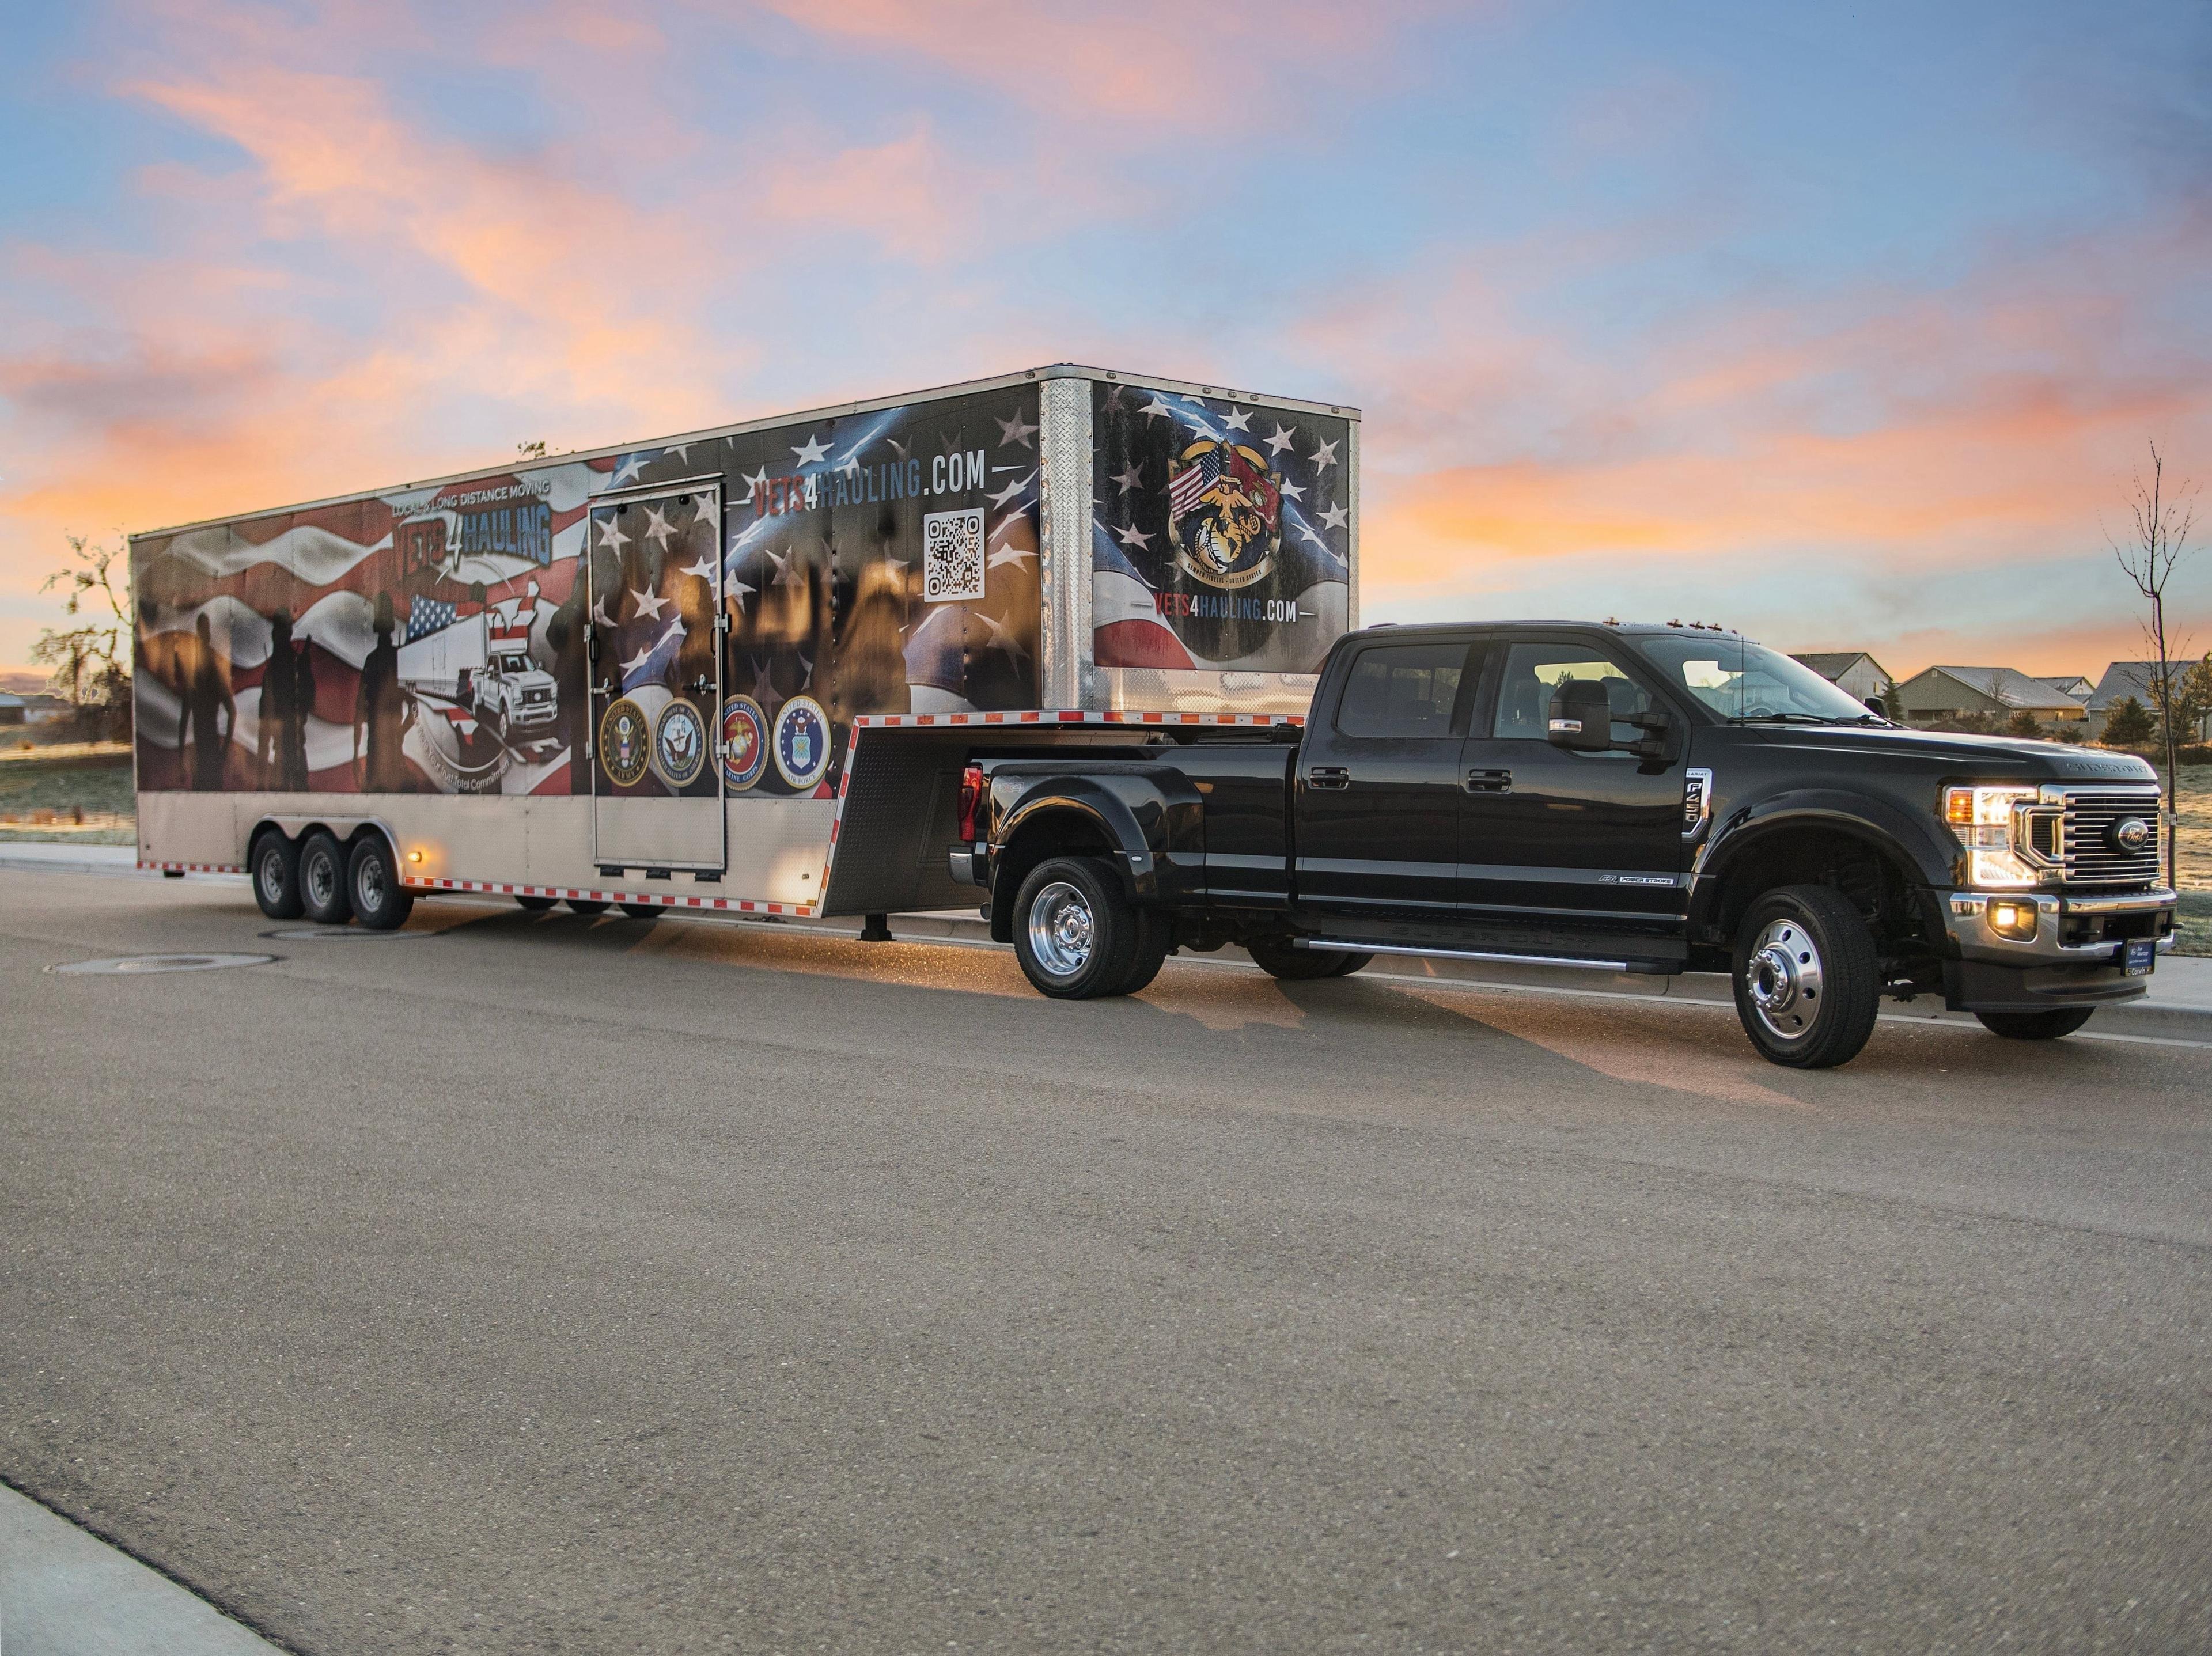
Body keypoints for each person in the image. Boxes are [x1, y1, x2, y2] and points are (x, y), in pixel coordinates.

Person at [354, 591, 405, 791]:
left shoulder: (373, 661)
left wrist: (355, 754)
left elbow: (359, 710)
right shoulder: (397, 659)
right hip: (385, 746)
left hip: (379, 747)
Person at [179, 611, 234, 790]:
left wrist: (224, 752)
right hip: (206, 751)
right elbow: (184, 718)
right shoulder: (197, 676)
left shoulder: (210, 676)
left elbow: (232, 711)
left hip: (209, 750)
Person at [257, 609, 295, 787]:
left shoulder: (294, 666)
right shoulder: (274, 669)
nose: (275, 635)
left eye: (278, 630)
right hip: (280, 749)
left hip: (291, 747)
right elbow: (264, 718)